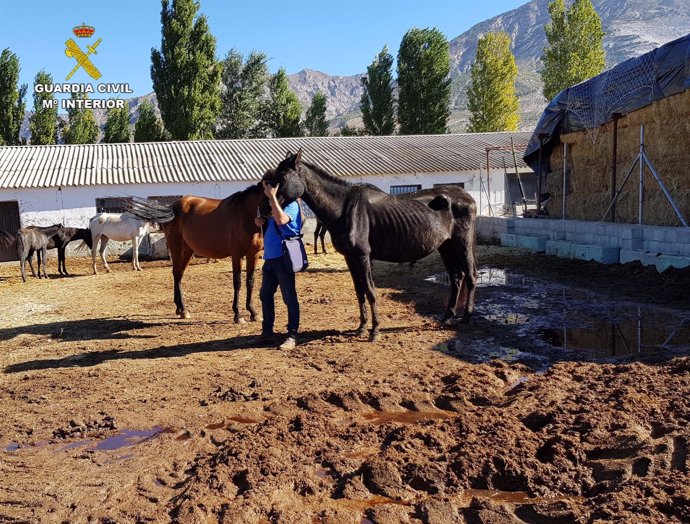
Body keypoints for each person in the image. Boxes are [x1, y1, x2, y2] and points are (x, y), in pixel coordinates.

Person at [254, 182, 303, 350]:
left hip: (283, 259)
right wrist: (262, 221)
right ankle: (267, 333)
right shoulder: (276, 207)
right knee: (265, 295)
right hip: (270, 259)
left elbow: (282, 220)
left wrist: (272, 197)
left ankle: (292, 335)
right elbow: (273, 221)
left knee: (289, 298)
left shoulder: (292, 206)